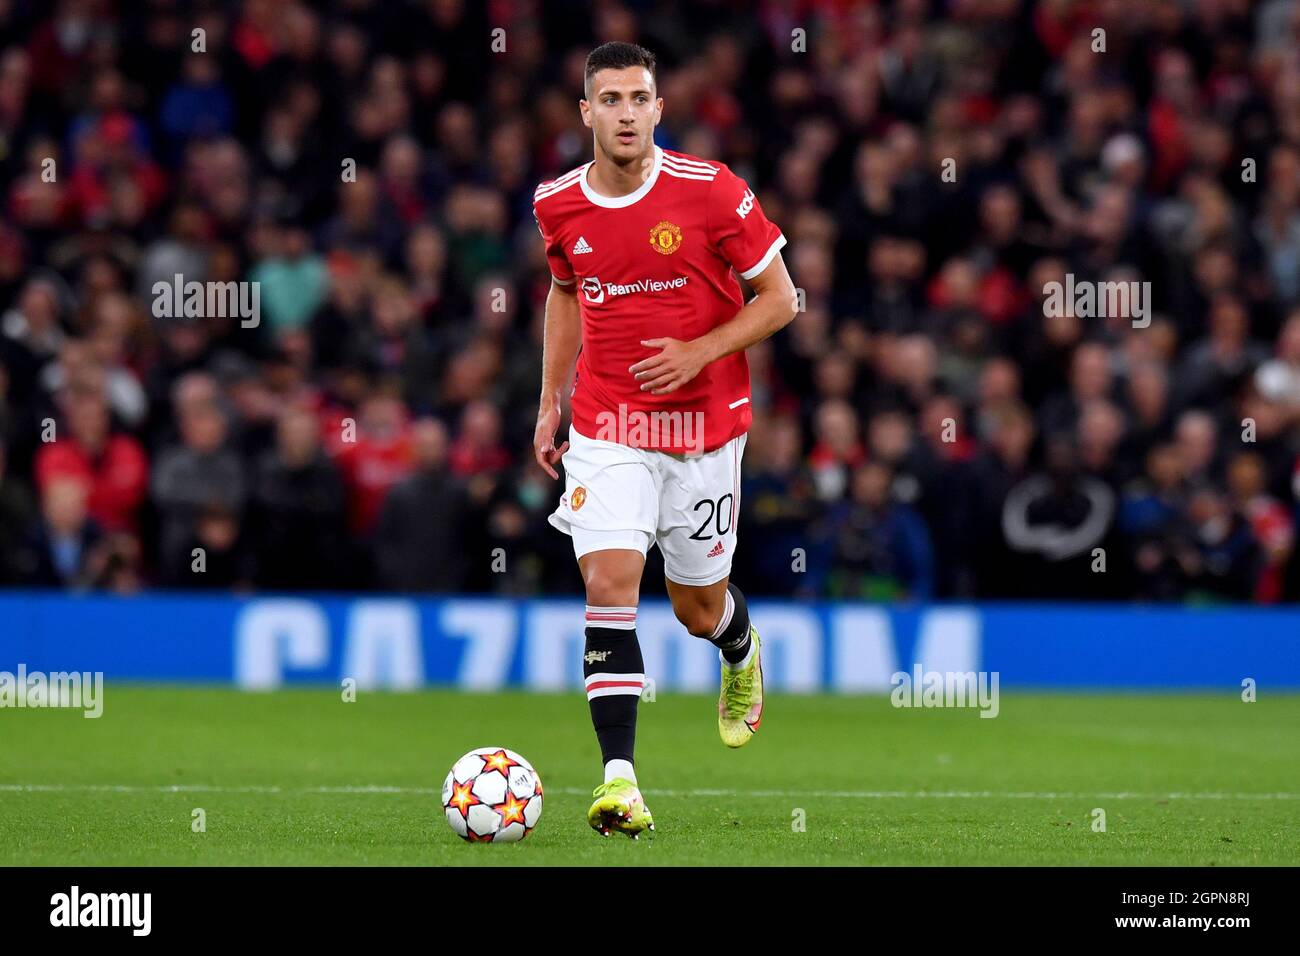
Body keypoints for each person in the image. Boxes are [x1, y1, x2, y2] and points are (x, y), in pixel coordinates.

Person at [531, 42, 796, 837]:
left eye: (638, 98)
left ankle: (739, 643)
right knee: (610, 583)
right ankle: (620, 783)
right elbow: (565, 291)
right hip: (609, 425)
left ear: (658, 108)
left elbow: (782, 299)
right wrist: (550, 400)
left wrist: (700, 350)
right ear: (586, 112)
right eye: (608, 99)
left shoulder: (711, 191)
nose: (624, 113)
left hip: (704, 430)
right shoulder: (557, 204)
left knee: (694, 606)